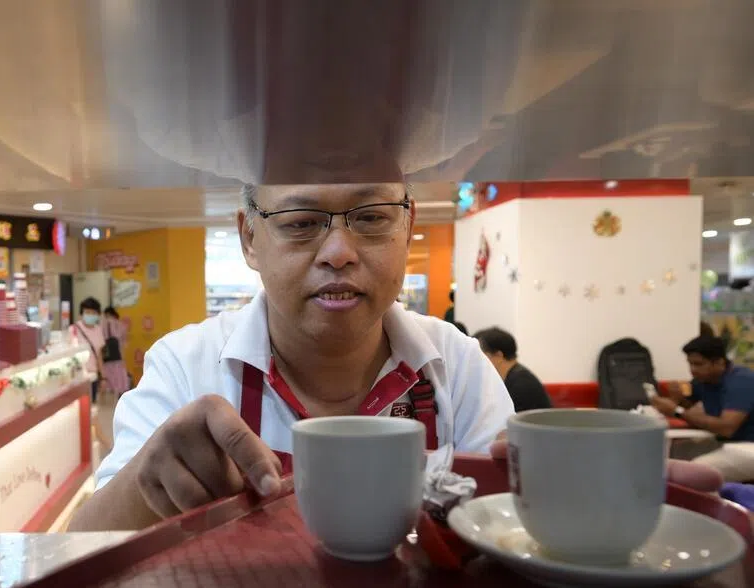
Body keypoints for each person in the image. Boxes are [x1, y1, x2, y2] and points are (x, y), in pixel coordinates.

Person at [69, 182, 516, 531]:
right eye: (300, 222)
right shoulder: (187, 366)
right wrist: (149, 485)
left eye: (372, 217)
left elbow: (509, 534)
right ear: (249, 237)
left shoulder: (457, 366)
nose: (339, 253)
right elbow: (83, 551)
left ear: (407, 224)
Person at [652, 335, 754, 482]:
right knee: (671, 455)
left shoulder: (741, 382)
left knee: (694, 472)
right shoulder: (705, 380)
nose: (692, 370)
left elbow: (727, 427)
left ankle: (707, 505)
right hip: (728, 442)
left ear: (719, 362)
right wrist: (679, 400)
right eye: (690, 364)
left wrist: (676, 410)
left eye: (698, 364)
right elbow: (690, 409)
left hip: (748, 446)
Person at [473, 327, 553, 412]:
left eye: (480, 355)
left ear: (498, 356)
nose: (476, 361)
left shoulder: (522, 384)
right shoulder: (514, 377)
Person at [70, 297, 106, 402]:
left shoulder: (98, 330)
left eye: (93, 313)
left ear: (98, 315)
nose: (90, 315)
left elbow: (99, 355)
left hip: (92, 376)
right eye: (87, 312)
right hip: (77, 377)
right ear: (81, 314)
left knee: (90, 407)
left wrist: (103, 377)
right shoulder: (74, 329)